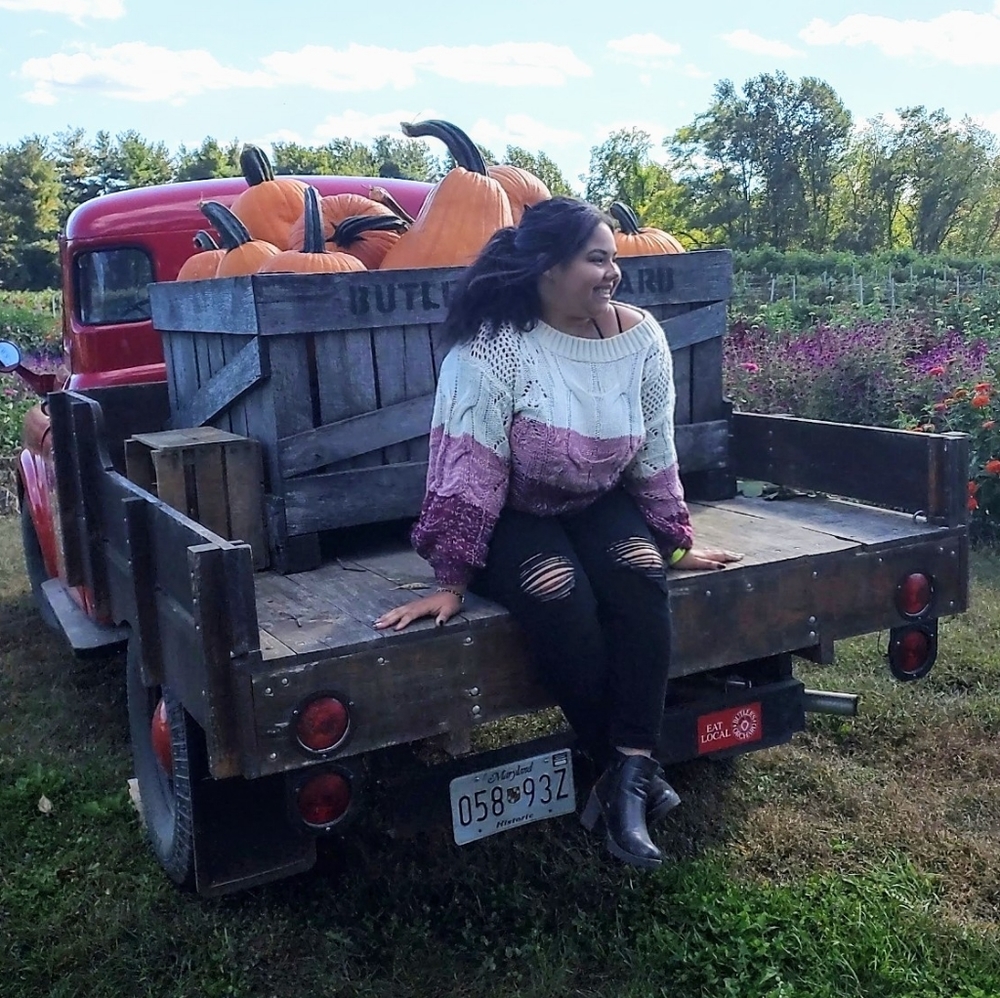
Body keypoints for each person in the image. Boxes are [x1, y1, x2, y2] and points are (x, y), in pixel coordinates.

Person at [374, 196, 742, 869]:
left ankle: (624, 775)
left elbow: (654, 451)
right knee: (557, 588)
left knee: (637, 572)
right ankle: (629, 777)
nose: (612, 274)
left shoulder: (641, 339)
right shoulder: (494, 349)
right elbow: (468, 465)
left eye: (614, 259)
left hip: (594, 499)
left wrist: (675, 539)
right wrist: (452, 578)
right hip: (510, 509)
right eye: (597, 259)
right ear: (547, 268)